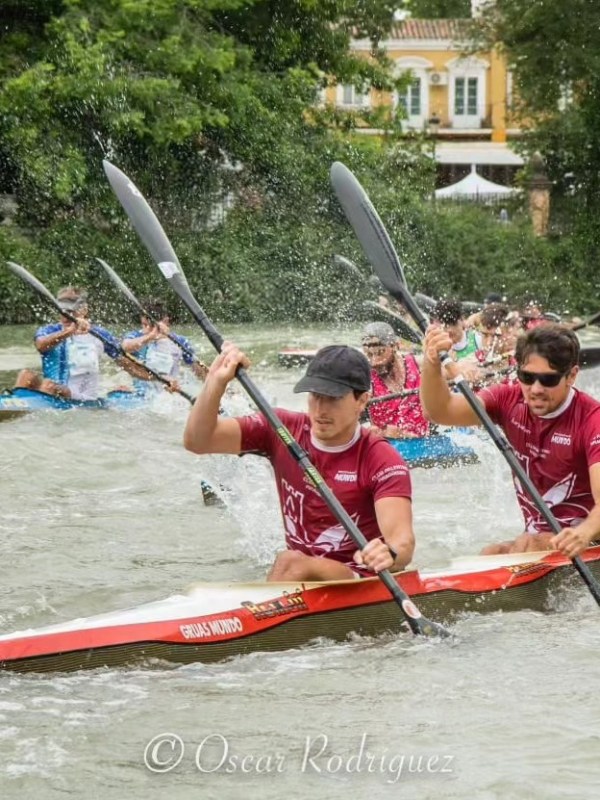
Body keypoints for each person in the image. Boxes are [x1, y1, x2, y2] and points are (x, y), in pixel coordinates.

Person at [184, 343, 415, 580]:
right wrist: (216, 381)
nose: (320, 410)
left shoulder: (380, 458)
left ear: (362, 400)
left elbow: (403, 542)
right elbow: (198, 441)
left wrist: (390, 552)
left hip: (359, 576)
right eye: (315, 396)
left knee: (290, 562)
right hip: (301, 574)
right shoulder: (281, 428)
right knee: (291, 562)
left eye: (333, 398)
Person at [420, 323, 600, 558]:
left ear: (572, 376)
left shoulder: (592, 420)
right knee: (490, 552)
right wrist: (431, 364)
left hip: (587, 540)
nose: (535, 389)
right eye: (526, 376)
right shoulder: (507, 399)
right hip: (538, 539)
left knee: (530, 545)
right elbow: (440, 412)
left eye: (548, 380)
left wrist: (585, 532)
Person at [15, 286, 155, 400]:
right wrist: (69, 331)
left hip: (82, 399)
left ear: (84, 310)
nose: (65, 315)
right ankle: (13, 407)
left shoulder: (99, 335)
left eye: (70, 311)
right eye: (62, 310)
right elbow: (41, 345)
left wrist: (158, 379)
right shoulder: (49, 331)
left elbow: (129, 366)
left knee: (49, 386)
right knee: (26, 375)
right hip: (51, 391)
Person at [121, 300, 208, 394]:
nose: (146, 329)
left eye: (150, 325)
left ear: (165, 321)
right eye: (144, 324)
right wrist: (150, 337)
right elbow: (125, 347)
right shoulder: (137, 336)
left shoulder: (180, 342)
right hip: (142, 395)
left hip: (169, 394)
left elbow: (199, 371)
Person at [361, 322, 429, 439]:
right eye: (369, 354)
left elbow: (455, 371)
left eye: (380, 352)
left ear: (395, 346)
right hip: (387, 445)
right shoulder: (365, 379)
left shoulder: (419, 365)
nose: (374, 361)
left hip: (424, 443)